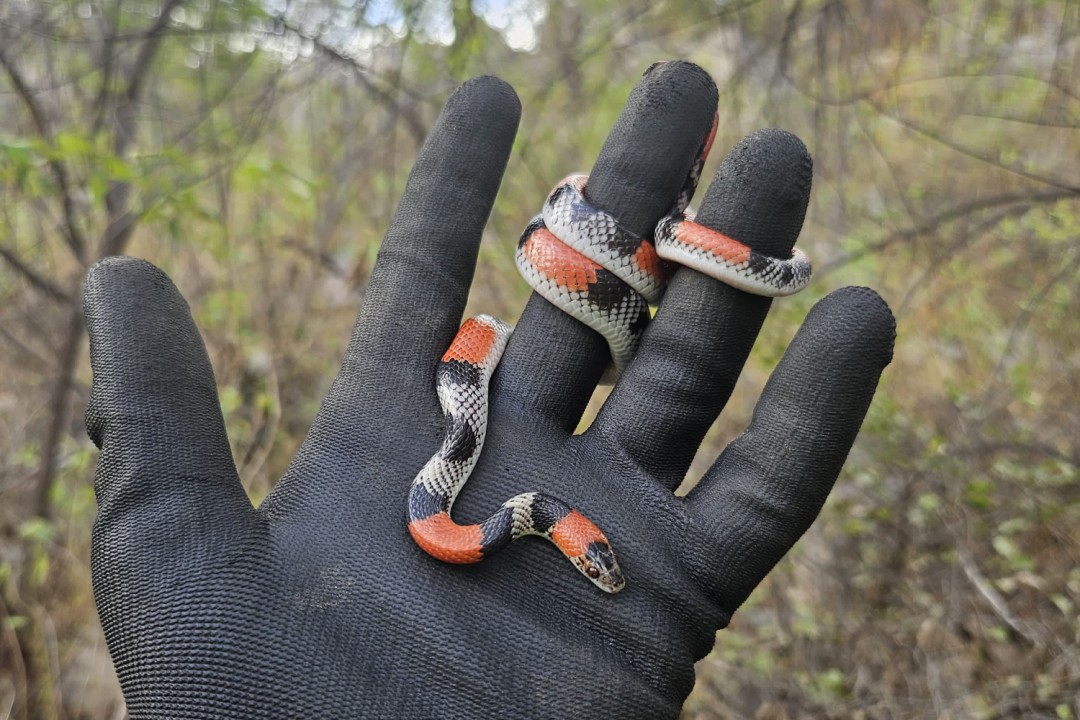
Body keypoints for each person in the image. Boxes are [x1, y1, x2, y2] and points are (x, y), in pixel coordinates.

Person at [82, 61, 895, 718]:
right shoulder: (470, 510)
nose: (601, 567)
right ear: (557, 531)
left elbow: (464, 426)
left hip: (502, 344)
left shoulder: (465, 473)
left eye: (597, 564)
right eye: (598, 561)